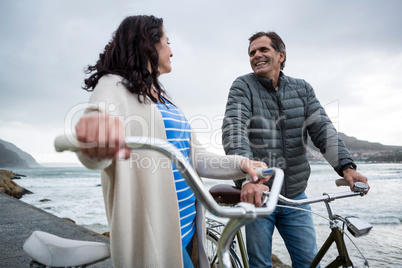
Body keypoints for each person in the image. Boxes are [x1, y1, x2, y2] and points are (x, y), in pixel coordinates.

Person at [73, 15, 269, 268]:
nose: (172, 51)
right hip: (157, 232)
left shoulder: (163, 97)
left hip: (188, 226)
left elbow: (196, 158)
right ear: (148, 44)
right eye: (167, 41)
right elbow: (92, 144)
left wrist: (243, 164)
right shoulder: (111, 86)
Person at [221, 31, 369, 268]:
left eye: (263, 50)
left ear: (281, 55)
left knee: (309, 262)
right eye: (252, 52)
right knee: (260, 265)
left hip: (295, 195)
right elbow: (234, 131)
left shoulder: (302, 89)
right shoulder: (243, 85)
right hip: (260, 194)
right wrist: (250, 177)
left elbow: (323, 130)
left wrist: (347, 168)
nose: (256, 55)